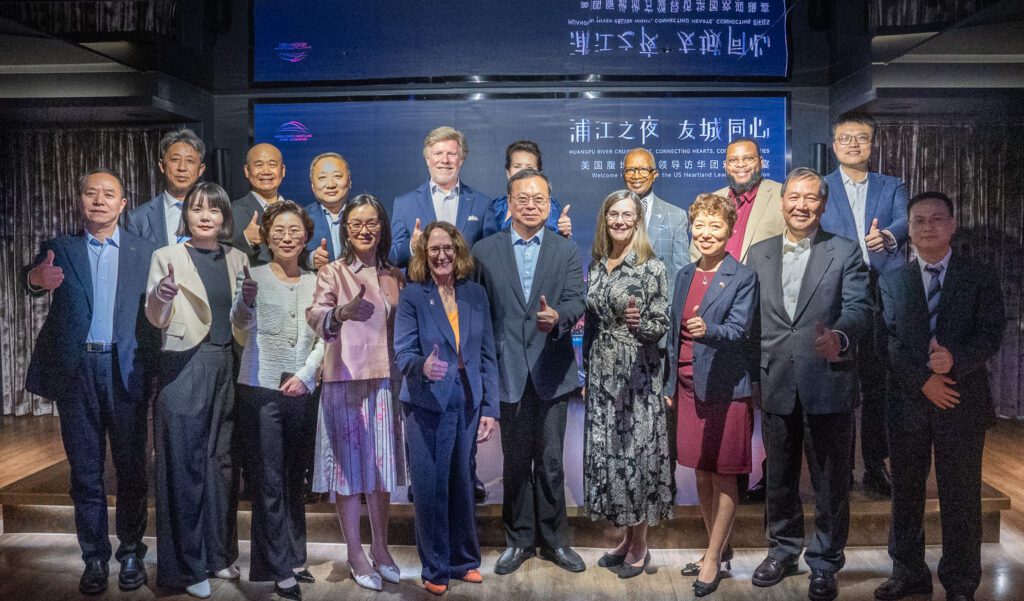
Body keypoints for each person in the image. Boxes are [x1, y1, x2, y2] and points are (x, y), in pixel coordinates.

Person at [23, 168, 157, 595]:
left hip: (125, 369)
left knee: (132, 469)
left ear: (123, 203)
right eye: (91, 193)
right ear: (79, 200)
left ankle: (132, 552)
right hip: (77, 371)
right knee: (85, 472)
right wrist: (36, 281)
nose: (99, 200)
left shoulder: (145, 251)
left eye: (109, 194)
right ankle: (94, 557)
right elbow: (31, 278)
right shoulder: (60, 248)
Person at [746, 167, 871, 601]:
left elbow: (859, 308)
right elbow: (750, 322)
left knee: (830, 481)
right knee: (778, 476)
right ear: (782, 202)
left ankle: (825, 561)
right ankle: (782, 551)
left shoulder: (845, 251)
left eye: (811, 198)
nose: (801, 206)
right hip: (775, 378)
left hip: (828, 379)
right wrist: (750, 376)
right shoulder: (758, 253)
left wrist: (840, 337)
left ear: (823, 204)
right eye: (794, 197)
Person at [875, 192, 1004, 601]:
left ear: (952, 224)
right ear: (909, 230)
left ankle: (961, 582)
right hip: (909, 402)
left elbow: (991, 332)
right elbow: (886, 342)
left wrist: (955, 361)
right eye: (919, 220)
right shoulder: (893, 281)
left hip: (961, 401)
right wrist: (923, 381)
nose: (927, 226)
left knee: (962, 496)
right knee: (906, 495)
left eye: (936, 219)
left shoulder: (978, 275)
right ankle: (907, 574)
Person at [471, 168, 587, 575]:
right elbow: (477, 308)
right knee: (516, 463)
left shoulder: (565, 249)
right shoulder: (484, 250)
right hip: (507, 372)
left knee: (551, 462)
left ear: (550, 204)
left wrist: (559, 318)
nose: (531, 205)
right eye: (523, 198)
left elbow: (576, 299)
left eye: (540, 199)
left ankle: (556, 542)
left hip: (552, 370)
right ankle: (518, 541)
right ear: (508, 203)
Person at [145, 182, 249, 598]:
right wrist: (161, 295)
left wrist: (249, 304)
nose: (206, 216)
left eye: (214, 210)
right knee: (184, 467)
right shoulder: (166, 256)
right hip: (185, 365)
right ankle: (188, 567)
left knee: (221, 466)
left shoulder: (238, 257)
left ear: (225, 217)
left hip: (227, 363)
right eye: (197, 209)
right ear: (185, 215)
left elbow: (242, 320)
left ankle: (218, 554)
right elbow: (155, 316)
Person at [306, 194, 406, 592]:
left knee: (381, 474)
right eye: (356, 224)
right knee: (348, 475)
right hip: (344, 381)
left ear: (382, 228)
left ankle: (381, 548)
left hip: (385, 382)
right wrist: (340, 313)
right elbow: (316, 315)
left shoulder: (394, 275)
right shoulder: (333, 272)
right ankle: (355, 553)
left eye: (372, 223)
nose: (365, 230)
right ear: (346, 231)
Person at [394, 222, 499, 595]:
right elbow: (403, 351)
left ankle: (464, 561)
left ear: (458, 251)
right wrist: (422, 365)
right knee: (430, 487)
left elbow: (486, 355)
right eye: (434, 249)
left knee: (462, 483)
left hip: (467, 399)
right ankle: (435, 568)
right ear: (424, 254)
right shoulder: (413, 295)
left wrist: (490, 408)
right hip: (426, 401)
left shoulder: (475, 294)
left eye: (448, 248)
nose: (442, 255)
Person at [664, 193, 759, 597]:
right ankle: (716, 548)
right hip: (687, 386)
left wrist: (709, 330)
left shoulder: (742, 276)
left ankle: (713, 557)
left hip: (726, 387)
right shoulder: (684, 274)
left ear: (730, 230)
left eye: (715, 226)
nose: (705, 233)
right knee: (701, 471)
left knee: (724, 473)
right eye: (699, 225)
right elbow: (673, 335)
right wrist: (668, 384)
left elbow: (739, 330)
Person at [230, 201, 324, 601]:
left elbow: (326, 337)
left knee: (294, 477)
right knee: (268, 480)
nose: (287, 237)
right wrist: (246, 301)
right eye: (279, 231)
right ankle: (278, 567)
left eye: (295, 230)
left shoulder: (318, 280)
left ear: (306, 237)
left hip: (302, 389)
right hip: (260, 388)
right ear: (267, 236)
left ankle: (295, 556)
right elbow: (239, 325)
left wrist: (307, 374)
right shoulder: (252, 275)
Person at [582, 190, 672, 579]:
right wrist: (587, 374)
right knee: (614, 460)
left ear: (638, 220)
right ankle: (625, 537)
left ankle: (641, 544)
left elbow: (660, 324)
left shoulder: (652, 267)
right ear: (605, 220)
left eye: (627, 215)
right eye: (613, 214)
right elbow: (591, 323)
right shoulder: (598, 264)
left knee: (637, 459)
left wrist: (640, 326)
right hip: (602, 377)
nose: (619, 221)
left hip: (637, 377)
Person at [821, 111, 909, 497]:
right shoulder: (821, 187)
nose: (853, 144)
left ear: (873, 144)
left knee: (877, 384)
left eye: (861, 138)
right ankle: (839, 465)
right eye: (846, 138)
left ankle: (875, 465)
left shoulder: (891, 185)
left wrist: (888, 236)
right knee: (839, 383)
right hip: (836, 293)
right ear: (834, 144)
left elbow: (906, 219)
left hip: (882, 292)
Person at [705, 137, 787, 502]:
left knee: (769, 400)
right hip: (723, 315)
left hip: (767, 313)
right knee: (731, 402)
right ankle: (732, 478)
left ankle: (773, 479)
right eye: (733, 160)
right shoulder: (712, 199)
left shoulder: (781, 195)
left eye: (747, 159)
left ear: (760, 161)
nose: (740, 165)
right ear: (725, 165)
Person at [389, 126, 491, 268]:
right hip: (422, 281)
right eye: (438, 154)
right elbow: (392, 257)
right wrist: (411, 246)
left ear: (461, 160)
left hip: (467, 281)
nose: (445, 160)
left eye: (451, 154)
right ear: (427, 159)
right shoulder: (404, 204)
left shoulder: (482, 204)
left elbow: (491, 256)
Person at [621, 148, 688, 301]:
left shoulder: (676, 216)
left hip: (661, 306)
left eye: (643, 170)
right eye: (630, 170)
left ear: (655, 174)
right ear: (623, 174)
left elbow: (681, 271)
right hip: (621, 305)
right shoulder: (611, 214)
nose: (636, 176)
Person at [126, 129, 207, 247]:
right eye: (175, 160)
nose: (182, 168)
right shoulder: (139, 218)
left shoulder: (218, 213)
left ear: (201, 169)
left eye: (190, 161)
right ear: (162, 166)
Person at [484, 140, 572, 238]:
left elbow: (556, 241)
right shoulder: (496, 206)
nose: (523, 172)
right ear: (508, 172)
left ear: (539, 173)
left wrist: (564, 234)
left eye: (529, 167)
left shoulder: (548, 206)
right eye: (517, 166)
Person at [231, 143, 287, 267]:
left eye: (272, 165)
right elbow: (221, 258)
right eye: (258, 165)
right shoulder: (232, 212)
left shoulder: (296, 212)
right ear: (247, 171)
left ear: (283, 170)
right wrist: (246, 239)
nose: (266, 171)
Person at [304, 152, 352, 270]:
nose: (331, 184)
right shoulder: (301, 218)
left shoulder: (364, 216)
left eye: (337, 176)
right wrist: (311, 259)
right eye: (322, 178)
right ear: (312, 185)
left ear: (349, 181)